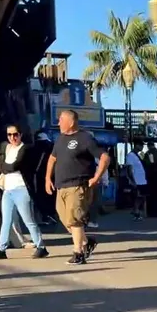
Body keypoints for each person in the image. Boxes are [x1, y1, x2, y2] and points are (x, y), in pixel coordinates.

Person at [46, 110, 108, 265]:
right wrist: (47, 178)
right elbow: (52, 159)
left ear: (71, 122)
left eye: (61, 120)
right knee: (65, 219)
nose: (59, 123)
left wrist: (97, 177)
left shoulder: (85, 138)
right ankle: (86, 242)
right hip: (61, 186)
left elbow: (104, 157)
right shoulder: (60, 139)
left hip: (78, 185)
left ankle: (78, 253)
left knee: (75, 220)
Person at [0, 125, 48, 260]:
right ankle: (1, 249)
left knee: (28, 220)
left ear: (20, 135)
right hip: (8, 189)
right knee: (6, 221)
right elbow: (1, 164)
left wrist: (5, 167)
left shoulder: (25, 149)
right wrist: (5, 167)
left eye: (15, 134)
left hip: (21, 189)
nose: (12, 137)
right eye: (9, 135)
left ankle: (41, 247)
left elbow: (15, 165)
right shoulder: (6, 148)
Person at [126, 139, 148, 220]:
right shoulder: (131, 155)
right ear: (136, 145)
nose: (142, 147)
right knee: (138, 196)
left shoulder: (138, 155)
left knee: (142, 196)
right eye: (141, 145)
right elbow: (129, 169)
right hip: (137, 180)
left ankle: (136, 210)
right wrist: (132, 180)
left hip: (142, 180)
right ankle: (136, 211)